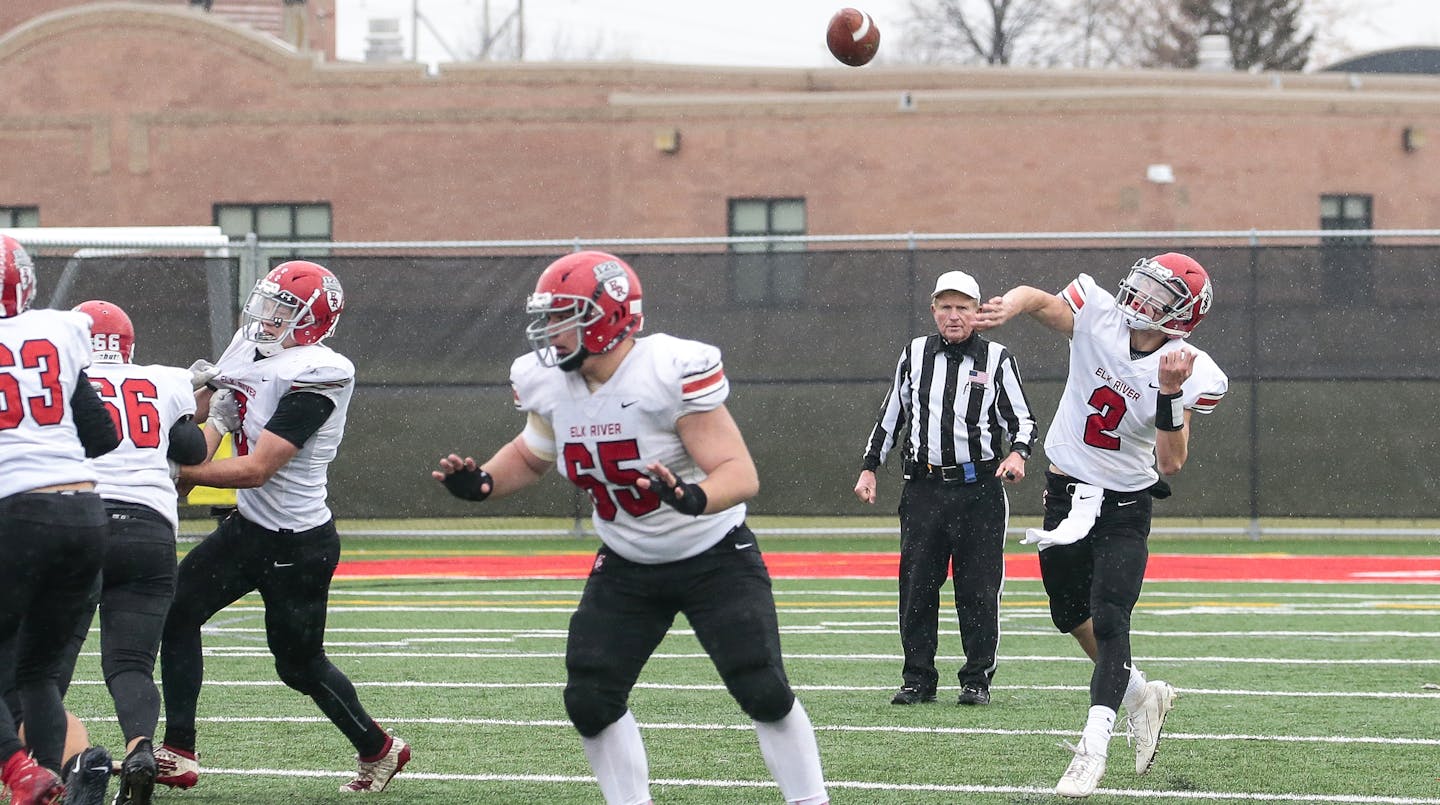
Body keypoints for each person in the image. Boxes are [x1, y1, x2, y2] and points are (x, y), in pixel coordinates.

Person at [433, 251, 829, 805]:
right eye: (547, 316)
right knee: (590, 698)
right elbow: (533, 453)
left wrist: (692, 496)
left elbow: (739, 474)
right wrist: (482, 483)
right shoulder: (547, 382)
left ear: (606, 315)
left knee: (760, 686)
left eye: (561, 316)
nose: (549, 330)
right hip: (627, 561)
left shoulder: (668, 369)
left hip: (712, 553)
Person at [973, 252, 1228, 798]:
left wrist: (1166, 394)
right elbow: (1041, 300)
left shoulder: (1190, 368)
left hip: (1124, 505)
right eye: (1142, 285)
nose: (1140, 297)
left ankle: (1092, 749)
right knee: (1069, 614)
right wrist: (1010, 305)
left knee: (1112, 620)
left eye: (1158, 296)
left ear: (1180, 315)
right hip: (1064, 490)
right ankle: (1141, 693)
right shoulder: (1102, 316)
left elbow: (1173, 461)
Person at [157, 261, 411, 795]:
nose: (266, 317)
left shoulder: (320, 372)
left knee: (298, 665)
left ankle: (380, 749)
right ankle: (178, 750)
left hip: (298, 543)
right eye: (266, 303)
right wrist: (195, 417)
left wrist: (176, 471)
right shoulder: (251, 352)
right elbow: (216, 433)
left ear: (313, 321)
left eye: (283, 310)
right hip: (249, 530)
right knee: (175, 612)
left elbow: (256, 469)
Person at [854, 270, 1037, 708]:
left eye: (963, 308)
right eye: (946, 307)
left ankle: (976, 679)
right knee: (917, 587)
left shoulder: (996, 358)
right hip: (923, 488)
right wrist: (869, 467)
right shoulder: (914, 354)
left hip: (979, 490)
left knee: (977, 589)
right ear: (934, 310)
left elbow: (1023, 420)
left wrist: (1018, 455)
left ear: (978, 312)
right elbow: (891, 415)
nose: (954, 316)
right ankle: (918, 678)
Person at [0, 235, 121, 805]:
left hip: (16, 516)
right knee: (38, 674)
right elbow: (100, 435)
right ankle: (45, 783)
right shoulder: (59, 329)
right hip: (83, 513)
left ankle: (19, 771)